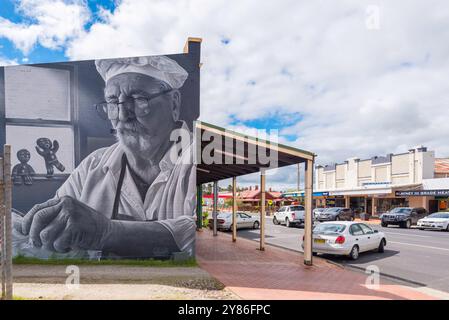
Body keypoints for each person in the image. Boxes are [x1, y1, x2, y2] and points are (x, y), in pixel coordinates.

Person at [14, 55, 196, 259]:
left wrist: (107, 232)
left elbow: (199, 234)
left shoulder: (201, 160)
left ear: (174, 103)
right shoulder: (93, 165)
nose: (122, 115)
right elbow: (53, 229)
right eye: (112, 102)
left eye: (138, 99)